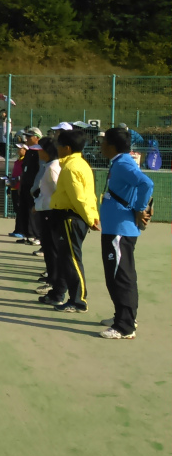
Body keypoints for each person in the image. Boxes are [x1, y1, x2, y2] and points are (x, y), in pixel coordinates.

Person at [96, 127, 154, 339]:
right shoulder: (119, 162)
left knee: (121, 277)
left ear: (111, 145)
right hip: (115, 228)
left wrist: (140, 208)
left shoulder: (123, 163)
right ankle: (123, 316)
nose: (100, 145)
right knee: (118, 275)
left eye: (103, 142)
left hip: (119, 231)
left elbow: (146, 183)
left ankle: (125, 326)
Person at [48, 128, 99, 314]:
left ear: (67, 148)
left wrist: (91, 218)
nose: (57, 149)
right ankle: (61, 294)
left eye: (59, 145)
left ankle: (78, 301)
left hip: (71, 218)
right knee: (66, 259)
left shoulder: (71, 168)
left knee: (72, 260)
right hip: (72, 216)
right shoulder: (80, 164)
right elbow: (89, 195)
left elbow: (79, 198)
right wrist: (92, 215)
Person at [33, 138, 64, 305]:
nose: (38, 152)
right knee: (48, 248)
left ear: (47, 152)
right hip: (46, 211)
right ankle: (51, 280)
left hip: (51, 213)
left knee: (52, 250)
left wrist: (43, 206)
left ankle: (53, 282)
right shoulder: (49, 166)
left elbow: (58, 192)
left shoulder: (53, 168)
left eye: (40, 149)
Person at [16, 127, 42, 241]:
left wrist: (37, 187)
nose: (27, 138)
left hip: (34, 187)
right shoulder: (29, 151)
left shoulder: (40, 152)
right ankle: (27, 234)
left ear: (37, 138)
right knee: (24, 210)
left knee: (33, 211)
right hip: (25, 186)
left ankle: (35, 235)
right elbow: (24, 170)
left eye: (29, 137)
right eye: (26, 136)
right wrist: (21, 185)